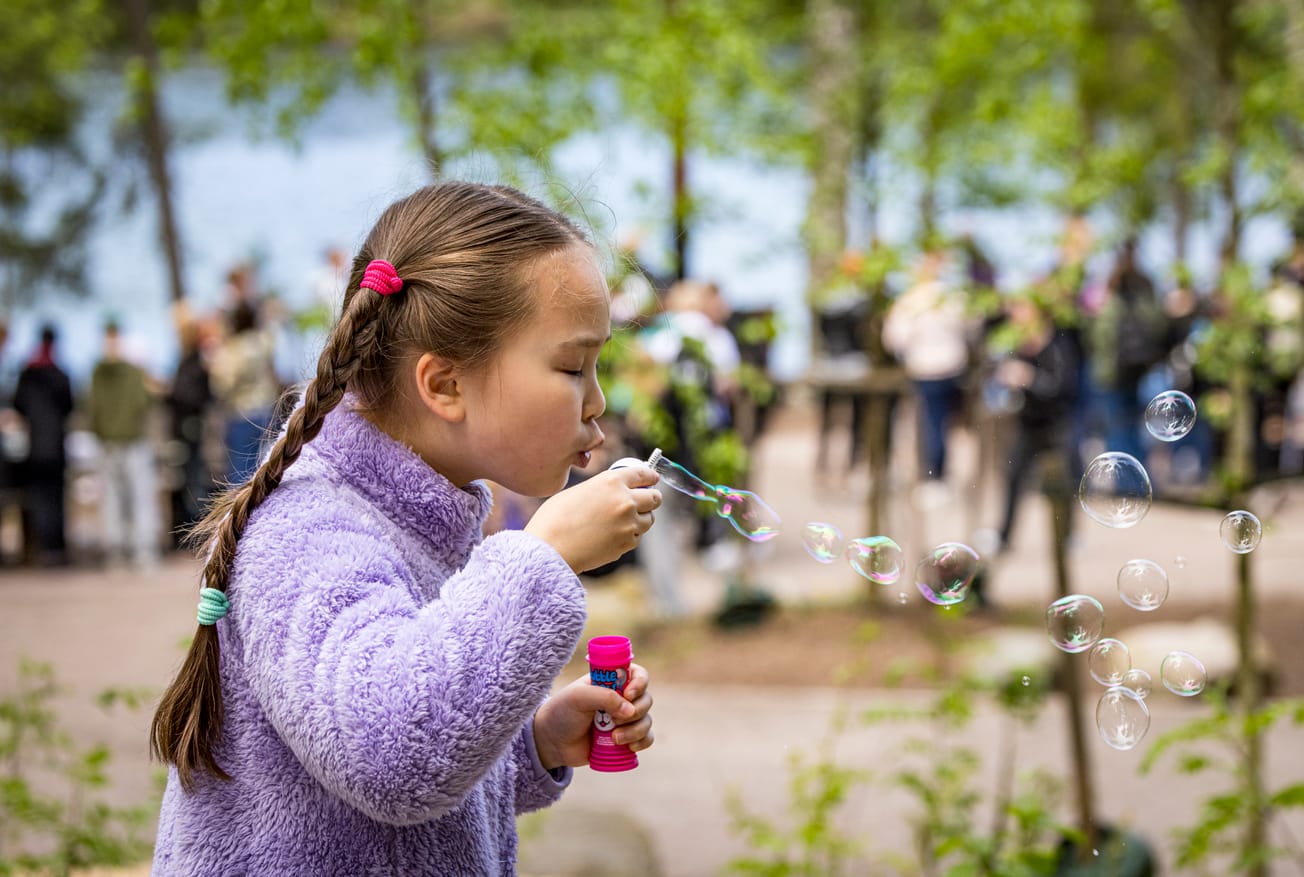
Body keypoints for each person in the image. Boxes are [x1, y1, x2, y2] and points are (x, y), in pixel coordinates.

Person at [148, 181, 659, 875]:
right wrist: (544, 552)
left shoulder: (411, 516)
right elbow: (392, 754)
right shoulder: (305, 532)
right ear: (444, 385)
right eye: (573, 366)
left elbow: (396, 792)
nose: (597, 400)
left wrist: (532, 743)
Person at [882, 248, 973, 483]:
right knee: (943, 422)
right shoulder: (955, 296)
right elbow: (971, 329)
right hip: (950, 366)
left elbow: (895, 339)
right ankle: (936, 471)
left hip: (926, 369)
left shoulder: (911, 300)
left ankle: (933, 473)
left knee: (931, 422)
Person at [87, 321, 160, 567]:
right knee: (139, 497)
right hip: (133, 439)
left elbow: (92, 407)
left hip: (107, 440)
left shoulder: (97, 371)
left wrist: (100, 429)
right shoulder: (132, 371)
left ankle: (116, 552)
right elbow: (145, 400)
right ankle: (144, 551)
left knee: (112, 498)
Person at [13, 325, 74, 566]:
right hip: (56, 447)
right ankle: (56, 548)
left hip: (35, 446)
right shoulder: (60, 374)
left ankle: (43, 547)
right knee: (56, 498)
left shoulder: (28, 374)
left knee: (39, 498)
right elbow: (70, 406)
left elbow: (19, 404)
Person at [209, 297, 281, 484]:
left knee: (241, 470)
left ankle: (242, 511)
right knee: (264, 463)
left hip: (241, 413)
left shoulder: (234, 350)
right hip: (265, 410)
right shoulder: (263, 343)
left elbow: (223, 385)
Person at [166, 315, 215, 536]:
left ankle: (198, 530)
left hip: (191, 425)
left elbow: (193, 395)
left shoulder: (195, 362)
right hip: (186, 426)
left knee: (195, 479)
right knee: (190, 478)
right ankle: (193, 528)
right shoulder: (188, 361)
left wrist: (170, 394)